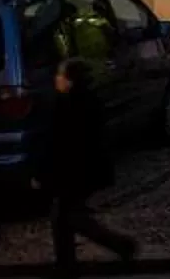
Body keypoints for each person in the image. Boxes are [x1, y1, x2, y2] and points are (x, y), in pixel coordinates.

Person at [37, 59, 138, 269]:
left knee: (69, 217)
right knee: (65, 216)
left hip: (76, 171)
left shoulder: (68, 104)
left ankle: (120, 245)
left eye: (61, 75)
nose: (57, 79)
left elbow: (61, 143)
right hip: (85, 170)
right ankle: (67, 262)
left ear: (70, 80)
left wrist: (44, 173)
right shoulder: (86, 101)